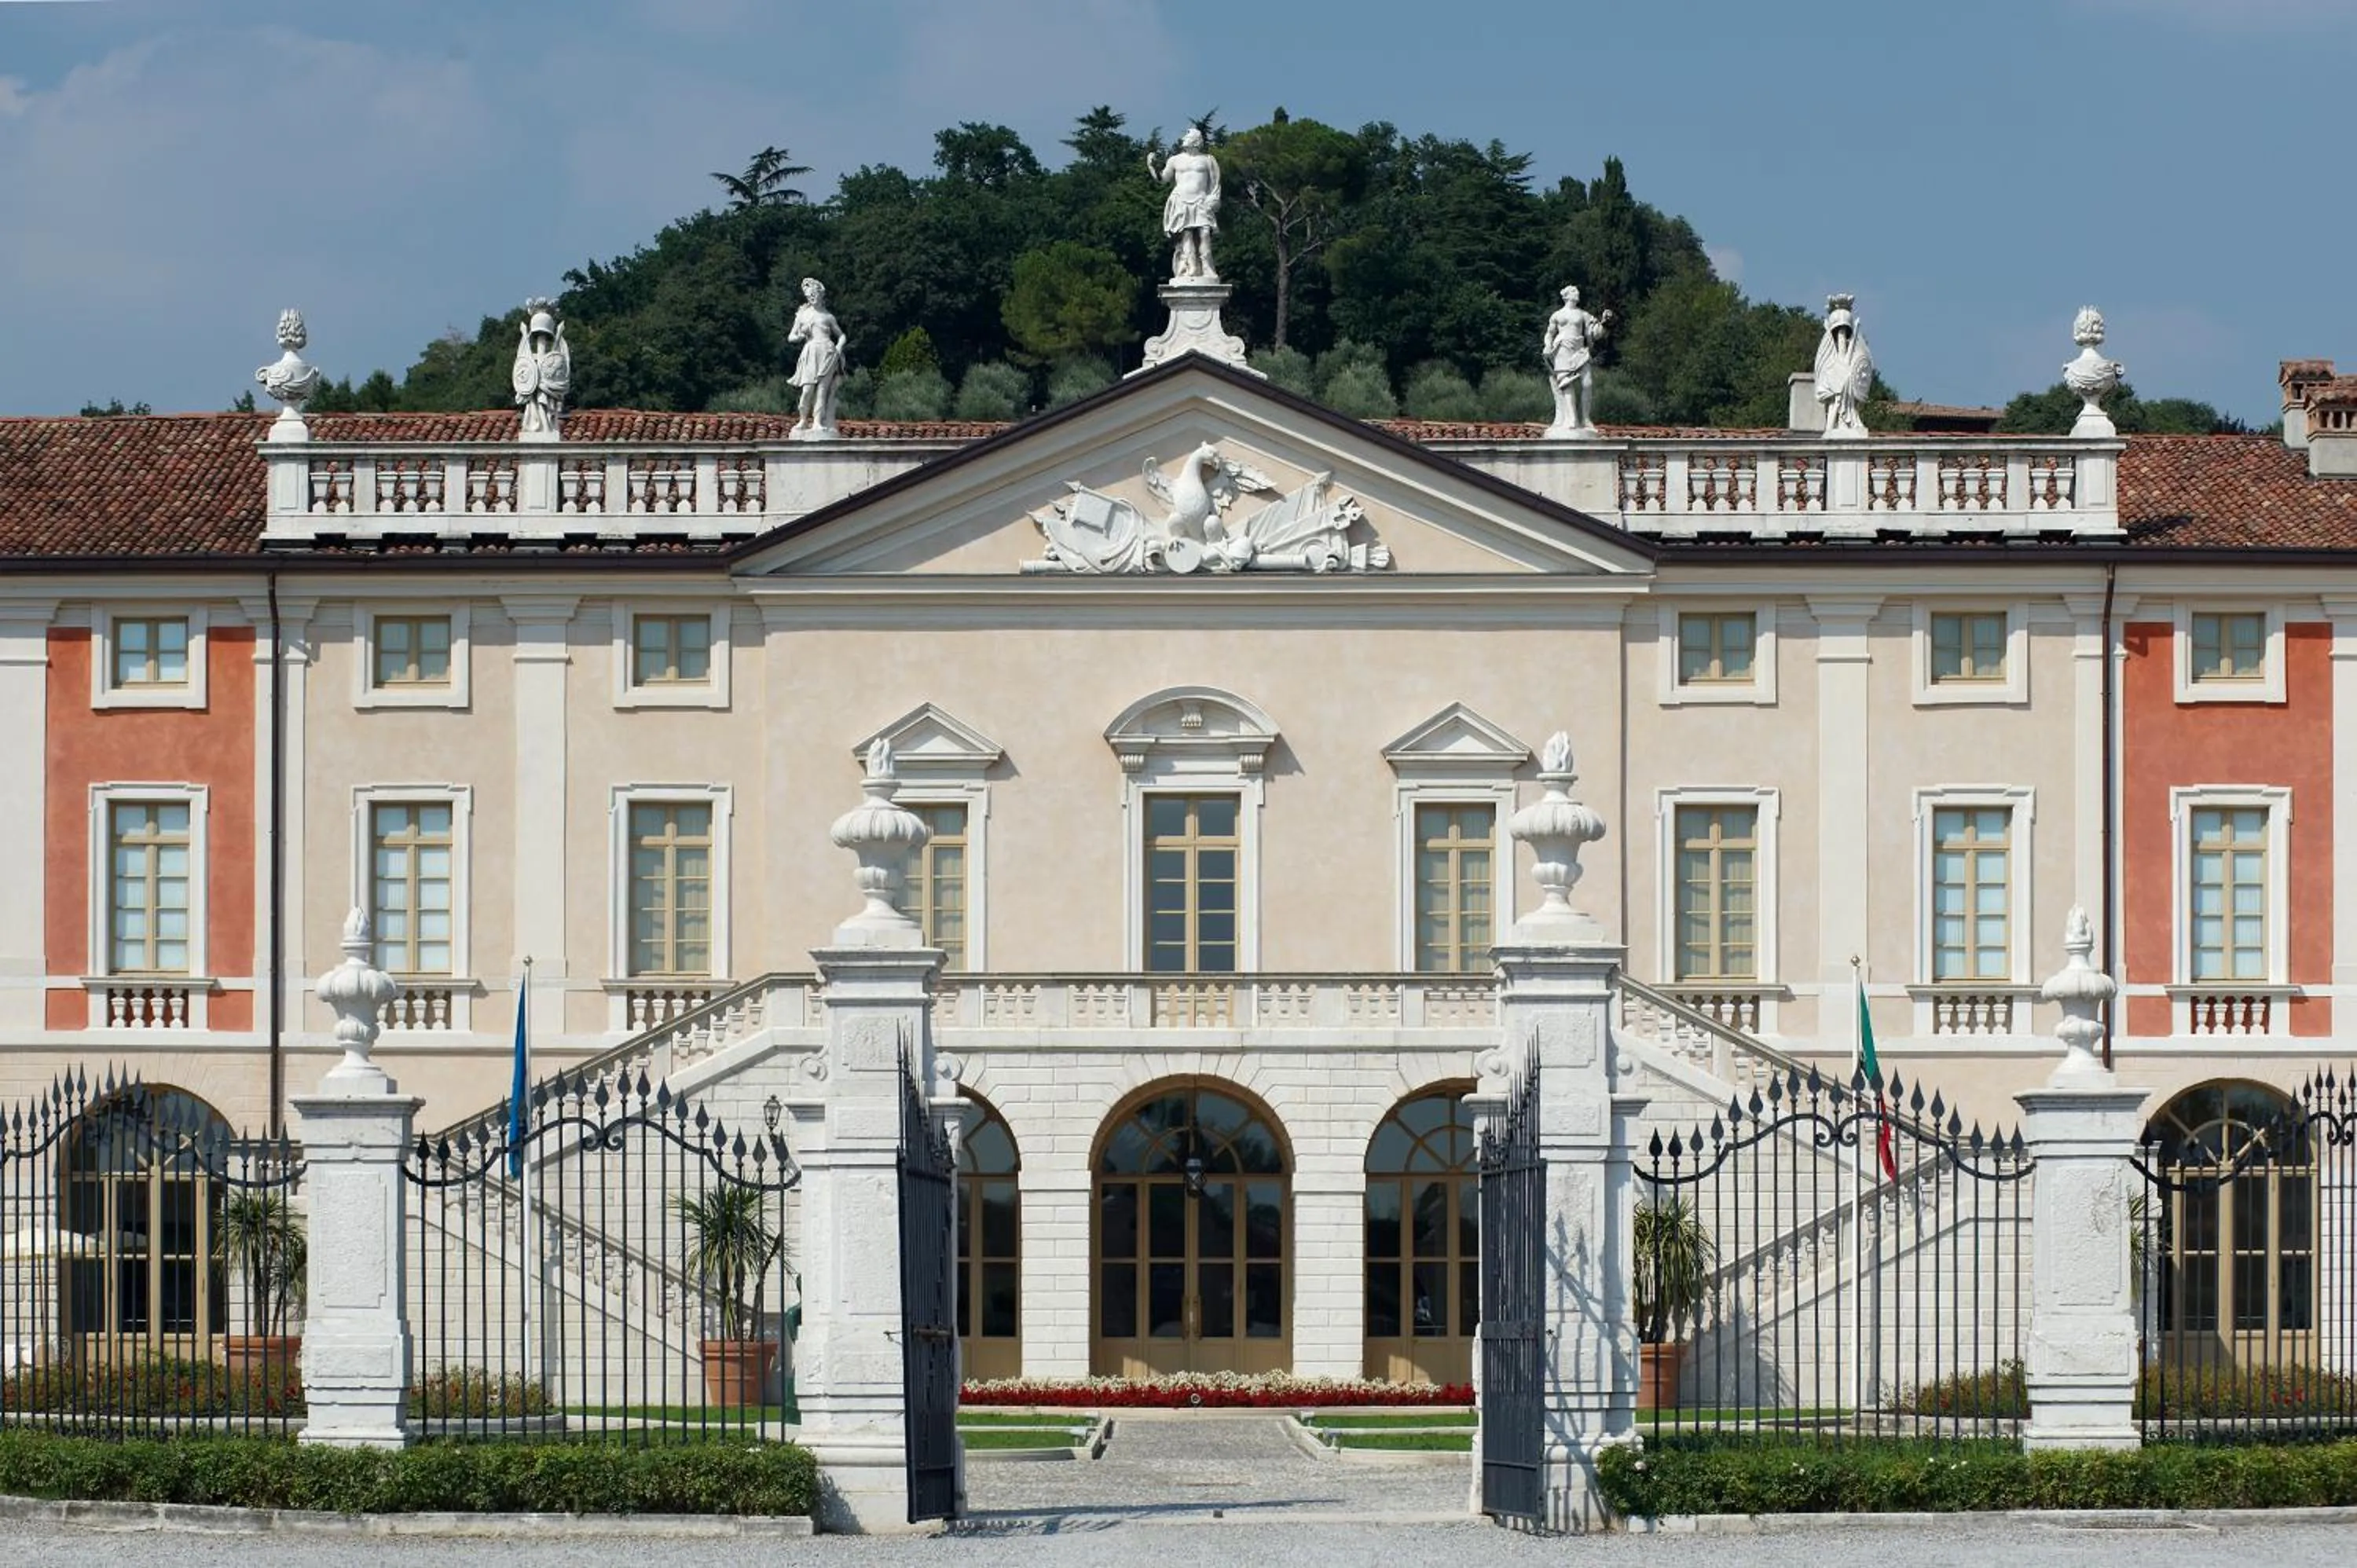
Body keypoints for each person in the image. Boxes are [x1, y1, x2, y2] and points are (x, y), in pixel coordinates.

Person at [1146, 127, 1222, 281]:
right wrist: (1152, 167)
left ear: (1196, 139)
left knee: (1205, 234)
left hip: (1201, 201)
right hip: (1181, 200)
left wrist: (1213, 199)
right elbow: (1163, 178)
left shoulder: (1208, 160)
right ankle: (1191, 266)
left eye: (1187, 136)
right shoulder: (1175, 160)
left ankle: (1207, 267)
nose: (1184, 139)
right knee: (1186, 234)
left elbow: (1216, 183)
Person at [1542, 285, 1611, 434]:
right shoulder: (1557, 315)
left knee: (1588, 384)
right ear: (1566, 296)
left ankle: (1586, 419)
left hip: (1579, 351)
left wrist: (1604, 322)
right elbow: (1549, 334)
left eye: (1577, 291)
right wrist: (1547, 346)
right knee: (1566, 384)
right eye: (1574, 291)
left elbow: (1595, 333)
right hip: (1562, 349)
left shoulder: (1583, 315)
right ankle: (1571, 418)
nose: (1578, 293)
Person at [788, 277, 848, 437]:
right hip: (810, 351)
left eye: (813, 295)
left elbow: (842, 336)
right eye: (808, 296)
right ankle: (802, 420)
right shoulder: (802, 315)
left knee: (822, 390)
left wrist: (839, 347)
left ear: (821, 295)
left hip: (827, 352)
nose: (811, 298)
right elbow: (791, 337)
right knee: (807, 390)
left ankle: (818, 422)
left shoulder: (828, 317)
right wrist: (802, 335)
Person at [1813, 294, 1875, 438]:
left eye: (1845, 332)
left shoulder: (1852, 352)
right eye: (1839, 333)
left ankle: (1843, 423)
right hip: (1836, 401)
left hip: (1849, 402)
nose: (1842, 336)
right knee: (1835, 406)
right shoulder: (1829, 360)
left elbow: (1858, 368)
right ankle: (1834, 426)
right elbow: (1826, 385)